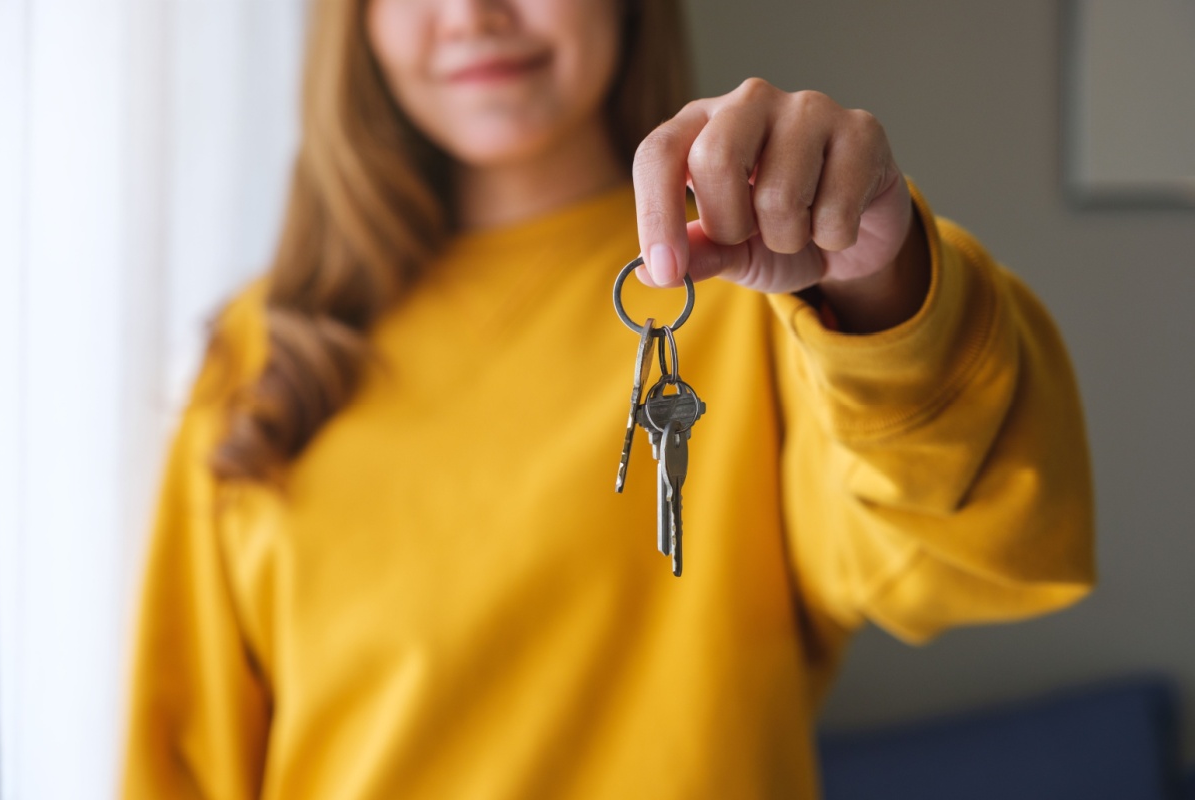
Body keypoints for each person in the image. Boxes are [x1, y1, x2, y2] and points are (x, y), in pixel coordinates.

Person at [122, 0, 1095, 797]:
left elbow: (978, 552)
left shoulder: (777, 296)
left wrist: (886, 291)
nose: (472, 15)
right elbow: (182, 759)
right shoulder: (264, 352)